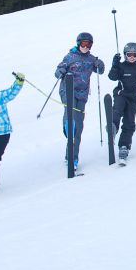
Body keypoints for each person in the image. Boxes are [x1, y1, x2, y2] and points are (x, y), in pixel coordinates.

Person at [54, 32, 105, 170]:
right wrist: (62, 71)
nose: (85, 46)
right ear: (78, 43)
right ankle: (67, 124)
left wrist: (100, 64)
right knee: (72, 120)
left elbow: (100, 71)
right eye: (83, 43)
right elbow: (58, 71)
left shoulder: (90, 58)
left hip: (82, 95)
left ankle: (71, 157)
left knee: (79, 127)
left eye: (89, 44)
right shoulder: (70, 56)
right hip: (68, 91)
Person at [107, 42, 136, 164]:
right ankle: (113, 127)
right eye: (129, 54)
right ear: (125, 55)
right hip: (121, 94)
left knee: (129, 122)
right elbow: (112, 77)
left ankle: (124, 146)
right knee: (117, 110)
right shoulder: (121, 66)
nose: (131, 57)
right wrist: (115, 65)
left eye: (134, 55)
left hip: (134, 98)